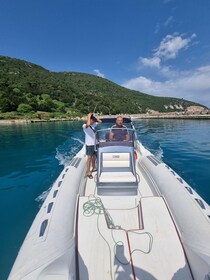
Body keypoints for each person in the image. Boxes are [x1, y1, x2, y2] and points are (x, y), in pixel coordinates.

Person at [83, 112, 102, 179]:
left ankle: (93, 168)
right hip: (89, 144)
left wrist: (94, 118)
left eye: (93, 120)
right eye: (92, 120)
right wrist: (88, 117)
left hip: (95, 144)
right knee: (89, 158)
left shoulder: (93, 125)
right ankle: (88, 172)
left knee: (94, 157)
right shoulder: (85, 125)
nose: (93, 121)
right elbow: (88, 124)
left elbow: (100, 122)